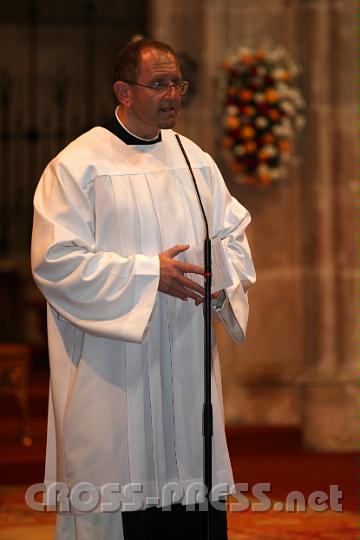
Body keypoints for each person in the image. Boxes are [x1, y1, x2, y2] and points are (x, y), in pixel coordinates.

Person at [31, 38, 256, 540]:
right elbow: (54, 262)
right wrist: (148, 274)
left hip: (184, 366)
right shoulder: (77, 166)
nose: (172, 93)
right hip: (115, 377)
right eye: (159, 84)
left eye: (177, 83)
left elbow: (231, 235)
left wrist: (219, 281)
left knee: (191, 507)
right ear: (123, 91)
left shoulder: (194, 161)